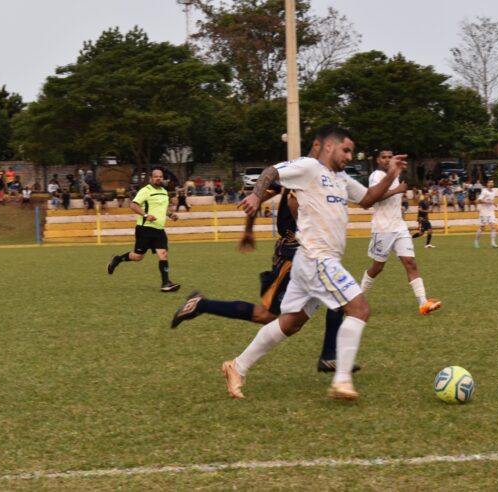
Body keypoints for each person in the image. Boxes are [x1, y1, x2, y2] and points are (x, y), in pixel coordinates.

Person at [218, 125, 408, 401]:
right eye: (346, 150)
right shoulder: (308, 168)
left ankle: (237, 366)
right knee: (360, 308)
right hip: (317, 259)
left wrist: (391, 174)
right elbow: (272, 171)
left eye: (351, 152)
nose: (349, 156)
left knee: (291, 323)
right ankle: (342, 381)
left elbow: (367, 199)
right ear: (328, 147)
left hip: (310, 263)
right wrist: (257, 194)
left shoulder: (341, 179)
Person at [172, 132, 361, 374]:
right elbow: (261, 195)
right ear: (319, 146)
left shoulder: (323, 175)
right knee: (268, 315)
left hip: (308, 253)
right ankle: (200, 305)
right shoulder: (300, 170)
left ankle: (329, 356)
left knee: (333, 299)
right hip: (294, 253)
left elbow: (259, 197)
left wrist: (249, 231)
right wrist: (251, 230)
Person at [360, 149, 442, 317]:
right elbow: (373, 197)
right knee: (377, 267)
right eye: (384, 157)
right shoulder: (376, 175)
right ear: (378, 160)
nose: (387, 160)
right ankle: (359, 300)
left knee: (410, 263)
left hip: (399, 227)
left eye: (390, 157)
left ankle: (423, 303)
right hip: (382, 229)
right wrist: (397, 190)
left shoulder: (395, 176)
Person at [106, 168, 180, 292]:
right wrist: (146, 215)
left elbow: (162, 209)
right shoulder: (145, 191)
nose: (158, 178)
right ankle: (117, 259)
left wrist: (171, 214)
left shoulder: (164, 192)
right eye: (156, 176)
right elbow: (133, 205)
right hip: (145, 229)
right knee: (138, 257)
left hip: (159, 229)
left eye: (160, 176)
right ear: (151, 178)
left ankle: (165, 283)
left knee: (163, 254)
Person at [474, 179, 498, 249]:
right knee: (482, 228)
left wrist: (493, 203)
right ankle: (476, 241)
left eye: (492, 182)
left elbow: (491, 200)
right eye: (490, 182)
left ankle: (493, 243)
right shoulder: (484, 191)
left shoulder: (493, 192)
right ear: (487, 184)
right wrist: (488, 202)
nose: (492, 184)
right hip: (484, 212)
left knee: (493, 227)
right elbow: (478, 201)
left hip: (491, 211)